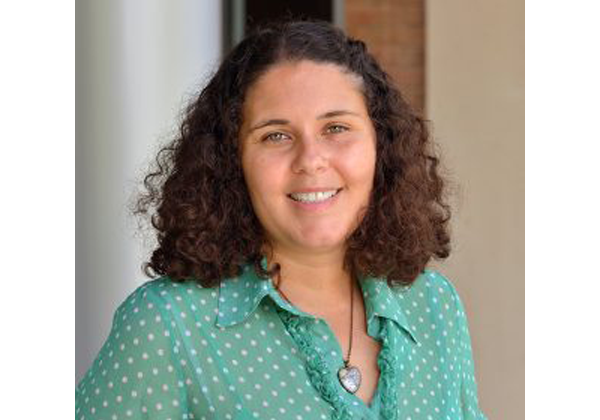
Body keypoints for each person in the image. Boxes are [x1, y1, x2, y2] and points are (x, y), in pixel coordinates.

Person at [76, 19, 487, 420]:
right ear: (231, 162)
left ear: (381, 147)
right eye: (276, 135)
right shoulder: (168, 325)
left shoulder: (434, 304)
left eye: (337, 127)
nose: (310, 160)